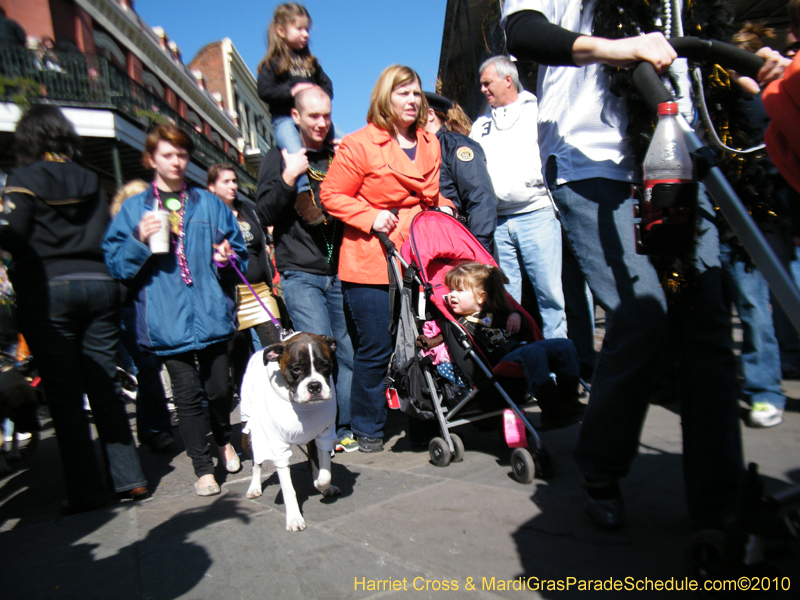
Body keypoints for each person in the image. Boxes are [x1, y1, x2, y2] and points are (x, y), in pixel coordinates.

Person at [500, 0, 752, 531]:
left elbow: (695, 34)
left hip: (675, 146)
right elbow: (524, 31)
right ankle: (601, 465)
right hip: (587, 157)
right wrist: (617, 49)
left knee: (705, 323)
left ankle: (719, 505)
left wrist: (745, 69)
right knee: (641, 316)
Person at [0, 105, 147, 514]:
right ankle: (130, 479)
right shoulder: (86, 177)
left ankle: (86, 492)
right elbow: (107, 234)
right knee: (105, 386)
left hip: (49, 289)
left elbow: (11, 231)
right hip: (99, 285)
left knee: (65, 395)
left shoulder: (23, 178)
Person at [104, 124, 247, 497]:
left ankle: (222, 439)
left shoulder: (209, 203)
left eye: (182, 154)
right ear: (151, 159)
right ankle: (203, 468)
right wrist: (138, 239)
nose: (177, 162)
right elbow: (117, 266)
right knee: (186, 396)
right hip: (167, 319)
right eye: (168, 154)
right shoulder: (135, 209)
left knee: (219, 390)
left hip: (213, 314)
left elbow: (239, 255)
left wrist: (227, 257)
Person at [320, 65, 455, 452]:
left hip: (418, 253)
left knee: (426, 342)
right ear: (385, 98)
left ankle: (424, 416)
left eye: (416, 93)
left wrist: (444, 208)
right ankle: (367, 426)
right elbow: (331, 195)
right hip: (369, 256)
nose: (412, 100)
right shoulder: (360, 144)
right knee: (376, 346)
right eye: (403, 93)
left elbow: (430, 195)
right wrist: (370, 216)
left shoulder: (430, 142)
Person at [255, 86, 356, 452]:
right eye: (313, 116)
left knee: (346, 352)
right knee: (315, 352)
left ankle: (339, 427)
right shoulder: (280, 156)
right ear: (295, 117)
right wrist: (287, 179)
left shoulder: (337, 154)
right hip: (300, 272)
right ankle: (318, 430)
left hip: (340, 268)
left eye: (327, 115)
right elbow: (261, 213)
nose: (321, 123)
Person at [469, 56, 567, 340]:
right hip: (498, 222)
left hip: (537, 214)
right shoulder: (481, 124)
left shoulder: (537, 110)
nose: (483, 89)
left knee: (549, 295)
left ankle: (559, 364)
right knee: (506, 300)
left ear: (508, 80)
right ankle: (519, 362)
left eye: (487, 83)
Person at [444, 262, 584, 428]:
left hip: (520, 352)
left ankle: (569, 400)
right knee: (532, 351)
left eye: (459, 290)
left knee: (565, 345)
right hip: (498, 364)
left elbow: (524, 328)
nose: (451, 295)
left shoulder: (498, 311)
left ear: (481, 297)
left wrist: (517, 315)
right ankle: (551, 410)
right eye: (451, 290)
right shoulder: (459, 323)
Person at [257, 2, 338, 227]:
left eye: (307, 30)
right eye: (299, 29)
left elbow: (328, 86)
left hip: (309, 112)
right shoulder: (273, 64)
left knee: (346, 143)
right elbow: (264, 90)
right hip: (283, 119)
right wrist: (291, 91)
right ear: (281, 31)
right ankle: (303, 199)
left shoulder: (310, 63)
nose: (305, 34)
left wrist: (316, 94)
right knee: (296, 154)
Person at [110, 179, 175, 450]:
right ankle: (155, 429)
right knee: (147, 365)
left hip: (154, 304)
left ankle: (152, 428)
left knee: (152, 365)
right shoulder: (121, 234)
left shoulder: (161, 226)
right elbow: (120, 271)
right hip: (128, 306)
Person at [207, 163, 282, 396]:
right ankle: (248, 400)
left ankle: (277, 395)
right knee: (240, 354)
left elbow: (261, 246)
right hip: (232, 294)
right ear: (211, 187)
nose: (233, 186)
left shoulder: (248, 209)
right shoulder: (208, 215)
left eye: (234, 181)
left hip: (260, 290)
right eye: (225, 182)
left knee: (275, 346)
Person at [423, 92, 497, 255]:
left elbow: (480, 198)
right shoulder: (418, 152)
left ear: (430, 115)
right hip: (436, 246)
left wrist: (479, 249)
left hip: (464, 243)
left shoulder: (454, 145)